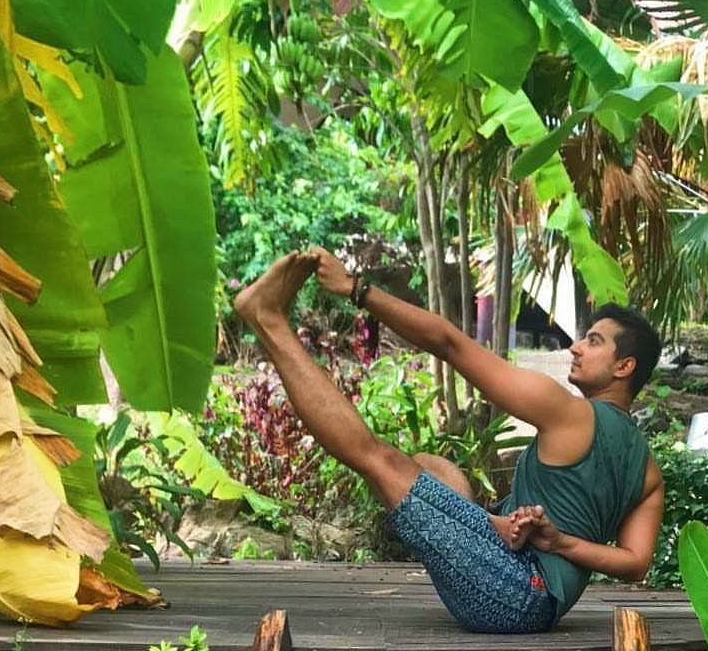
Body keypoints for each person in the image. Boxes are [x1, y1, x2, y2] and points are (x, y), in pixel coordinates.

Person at [234, 248, 664, 634]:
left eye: (593, 342)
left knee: (380, 460)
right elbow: (634, 562)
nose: (575, 348)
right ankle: (494, 524)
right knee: (430, 467)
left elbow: (448, 343)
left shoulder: (567, 412)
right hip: (536, 597)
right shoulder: (647, 469)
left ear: (624, 366)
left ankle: (268, 319)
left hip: (516, 592)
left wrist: (356, 288)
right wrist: (547, 538)